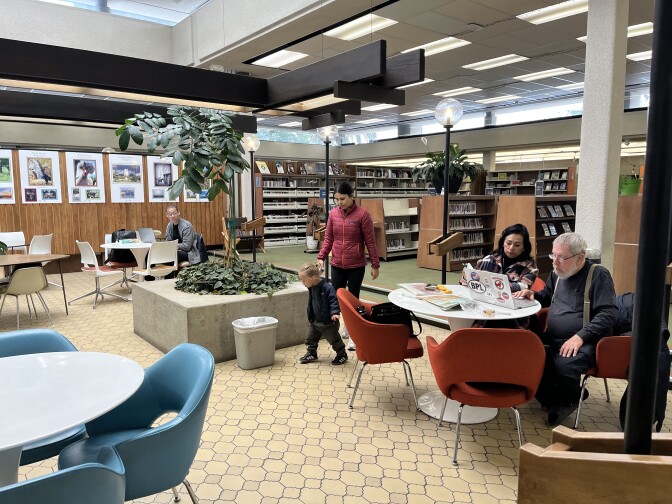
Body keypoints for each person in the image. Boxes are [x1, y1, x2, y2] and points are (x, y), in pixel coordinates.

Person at [515, 232, 619, 425]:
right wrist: (532, 294)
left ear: (580, 257)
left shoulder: (598, 275)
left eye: (561, 257)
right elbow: (546, 295)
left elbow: (608, 314)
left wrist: (580, 336)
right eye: (553, 255)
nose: (555, 263)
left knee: (564, 364)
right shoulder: (559, 274)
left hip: (586, 339)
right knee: (526, 351)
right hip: (555, 335)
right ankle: (560, 397)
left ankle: (567, 399)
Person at [317, 182, 379, 350]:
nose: (339, 202)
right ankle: (340, 331)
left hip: (356, 265)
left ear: (352, 196)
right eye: (336, 199)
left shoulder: (363, 215)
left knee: (353, 300)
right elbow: (328, 238)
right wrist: (321, 257)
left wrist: (375, 264)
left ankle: (354, 335)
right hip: (337, 264)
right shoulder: (333, 215)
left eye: (342, 199)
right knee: (337, 300)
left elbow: (370, 242)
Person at [461, 223, 538, 291]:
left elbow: (524, 287)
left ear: (524, 247)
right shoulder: (489, 260)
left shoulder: (529, 266)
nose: (511, 248)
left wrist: (494, 284)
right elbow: (466, 283)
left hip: (513, 303)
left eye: (517, 245)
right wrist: (466, 277)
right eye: (508, 243)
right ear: (502, 243)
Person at [297, 263, 348, 366]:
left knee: (334, 340)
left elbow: (334, 300)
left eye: (304, 280)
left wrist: (334, 312)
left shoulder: (327, 288)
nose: (303, 283)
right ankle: (312, 353)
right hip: (315, 321)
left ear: (314, 277)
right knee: (310, 338)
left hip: (328, 322)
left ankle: (342, 354)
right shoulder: (311, 287)